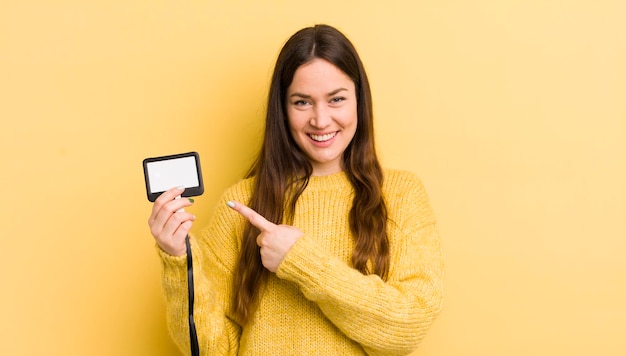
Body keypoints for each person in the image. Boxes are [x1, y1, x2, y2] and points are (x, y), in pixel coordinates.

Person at [148, 24, 444, 355]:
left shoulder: (402, 195)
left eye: (337, 99)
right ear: (283, 109)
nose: (320, 120)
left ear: (359, 101)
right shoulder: (241, 203)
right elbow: (211, 349)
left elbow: (408, 327)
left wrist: (300, 260)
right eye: (302, 102)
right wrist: (178, 261)